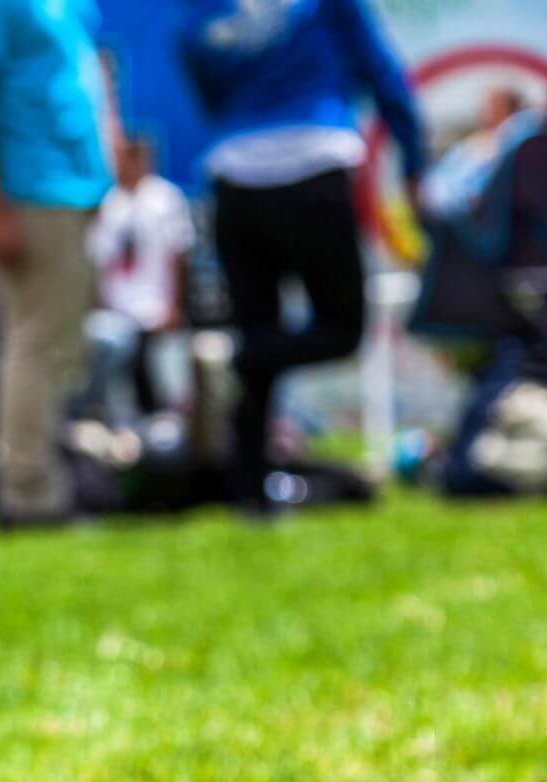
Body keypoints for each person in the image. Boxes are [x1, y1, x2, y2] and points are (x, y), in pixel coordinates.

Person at [179, 0, 425, 514]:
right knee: (342, 329)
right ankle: (246, 359)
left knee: (259, 331)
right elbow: (382, 71)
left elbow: (199, 67)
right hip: (314, 165)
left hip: (234, 176)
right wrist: (414, 162)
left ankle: (250, 488)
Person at [0, 0, 118, 528]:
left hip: (72, 191)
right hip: (30, 191)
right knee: (36, 344)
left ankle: (45, 476)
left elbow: (89, 72)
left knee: (62, 347)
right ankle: (28, 494)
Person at [82, 135, 194, 424]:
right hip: (119, 310)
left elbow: (178, 253)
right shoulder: (110, 202)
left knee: (163, 387)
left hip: (155, 306)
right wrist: (97, 302)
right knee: (121, 388)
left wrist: (175, 304)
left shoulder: (165, 198)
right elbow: (100, 260)